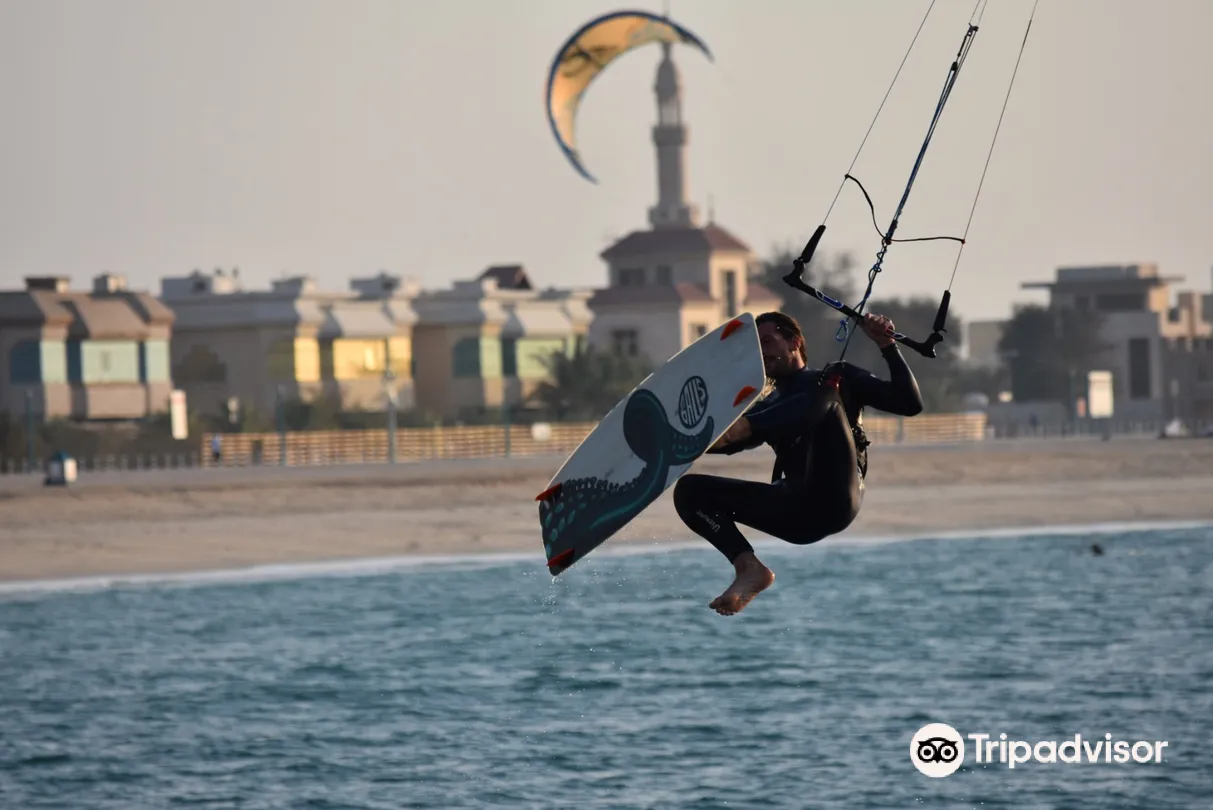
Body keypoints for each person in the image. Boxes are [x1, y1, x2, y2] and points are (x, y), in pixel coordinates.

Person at [672, 310, 924, 616]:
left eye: (768, 341)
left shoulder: (836, 380)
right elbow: (729, 446)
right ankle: (749, 568)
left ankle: (737, 428)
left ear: (794, 342)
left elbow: (909, 403)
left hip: (836, 497)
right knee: (689, 491)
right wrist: (681, 441)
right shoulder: (768, 405)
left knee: (828, 390)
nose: (762, 353)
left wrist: (887, 345)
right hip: (795, 514)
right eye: (756, 349)